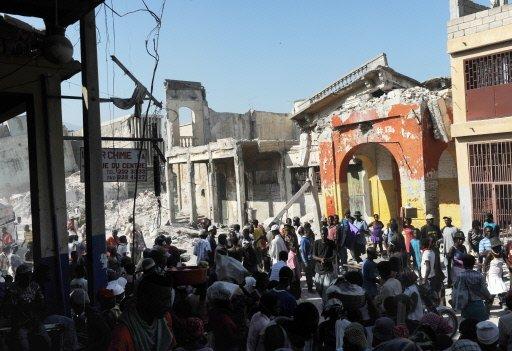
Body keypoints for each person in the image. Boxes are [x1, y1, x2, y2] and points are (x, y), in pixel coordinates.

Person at [108, 273, 174, 351]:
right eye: (163, 300)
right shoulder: (122, 335)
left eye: (168, 300)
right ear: (145, 299)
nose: (168, 305)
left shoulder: (165, 318)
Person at [4, 264, 49, 351]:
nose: (28, 278)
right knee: (24, 346)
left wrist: (29, 307)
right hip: (20, 324)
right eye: (25, 276)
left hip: (35, 322)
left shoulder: (34, 286)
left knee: (47, 341)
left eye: (29, 275)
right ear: (19, 277)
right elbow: (9, 310)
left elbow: (42, 305)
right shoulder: (12, 289)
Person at [452, 254, 492, 322]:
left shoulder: (460, 276)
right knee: (480, 327)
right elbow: (484, 289)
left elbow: (456, 290)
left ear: (463, 264)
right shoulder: (479, 275)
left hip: (466, 306)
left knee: (469, 328)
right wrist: (490, 298)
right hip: (479, 304)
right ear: (473, 264)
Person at [484, 237, 508, 306]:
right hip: (492, 275)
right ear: (493, 247)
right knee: (500, 289)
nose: (498, 248)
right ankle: (502, 304)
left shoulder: (502, 254)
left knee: (495, 291)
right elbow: (485, 265)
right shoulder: (490, 254)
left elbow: (507, 262)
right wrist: (484, 275)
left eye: (499, 246)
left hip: (499, 275)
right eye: (496, 247)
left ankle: (488, 304)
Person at [313, 227, 335, 297]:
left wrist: (327, 260)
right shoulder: (316, 243)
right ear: (320, 234)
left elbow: (334, 256)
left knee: (327, 290)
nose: (323, 235)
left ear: (327, 234)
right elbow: (313, 255)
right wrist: (320, 259)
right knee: (319, 289)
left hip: (328, 271)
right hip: (318, 270)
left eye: (325, 234)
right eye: (322, 234)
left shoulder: (331, 243)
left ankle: (325, 304)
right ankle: (323, 299)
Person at [441, 216, 458, 286]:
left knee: (454, 267)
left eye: (447, 220)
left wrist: (454, 249)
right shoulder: (444, 229)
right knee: (447, 267)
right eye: (445, 220)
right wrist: (444, 251)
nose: (446, 222)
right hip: (446, 252)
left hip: (453, 251)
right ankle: (449, 282)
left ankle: (455, 282)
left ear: (451, 221)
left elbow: (456, 240)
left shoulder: (454, 229)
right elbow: (444, 240)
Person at [299, 226, 314, 292]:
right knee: (308, 276)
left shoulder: (308, 239)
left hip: (310, 260)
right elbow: (303, 253)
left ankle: (311, 287)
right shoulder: (304, 240)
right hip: (307, 261)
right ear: (305, 232)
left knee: (310, 275)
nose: (311, 233)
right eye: (309, 232)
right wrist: (305, 263)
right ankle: (310, 289)